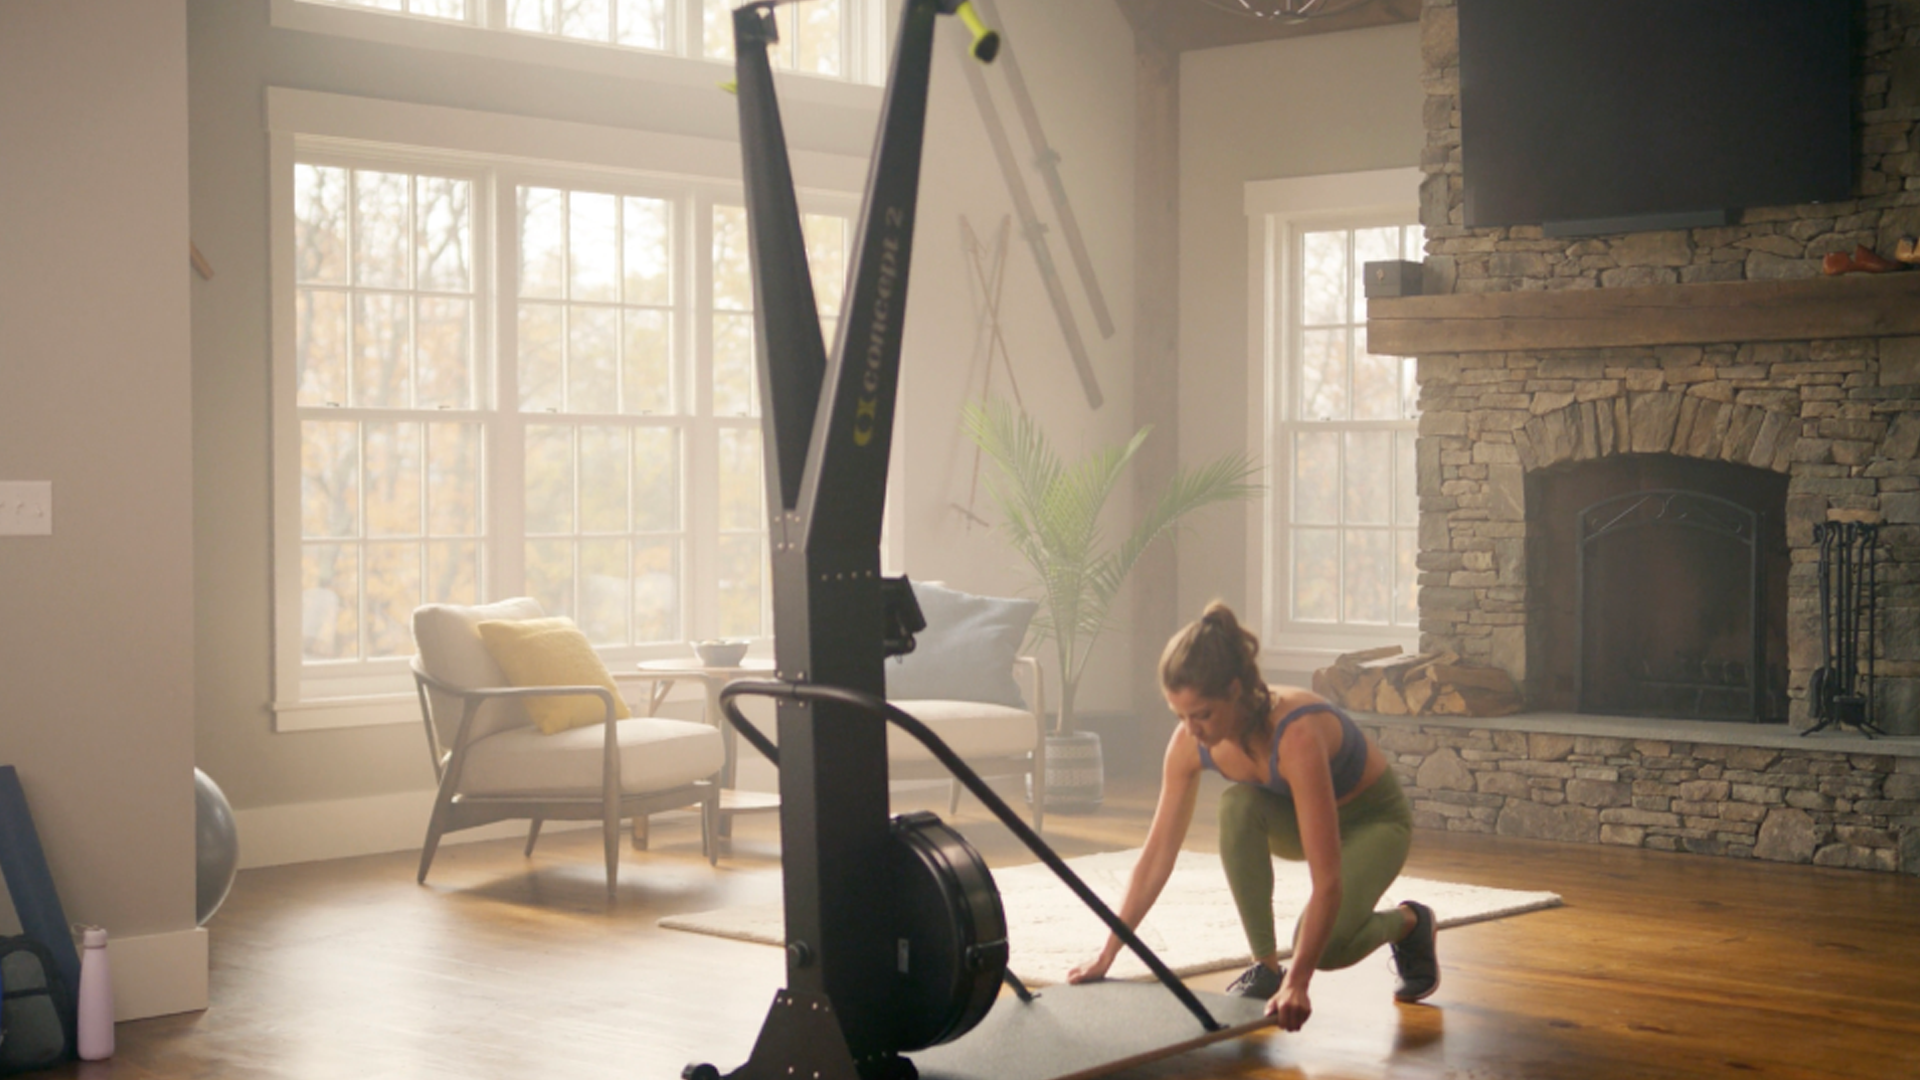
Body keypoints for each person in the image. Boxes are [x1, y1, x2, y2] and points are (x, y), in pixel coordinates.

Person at [1066, 601, 1438, 1032]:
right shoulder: (1189, 741)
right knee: (1236, 806)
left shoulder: (1297, 734)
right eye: (1179, 715)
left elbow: (1328, 880)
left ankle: (1410, 923)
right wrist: (1107, 952)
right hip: (1298, 819)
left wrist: (1299, 982)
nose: (1191, 730)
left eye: (1202, 714)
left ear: (1236, 690)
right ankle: (1264, 968)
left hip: (1373, 822)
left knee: (1325, 948)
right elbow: (1156, 856)